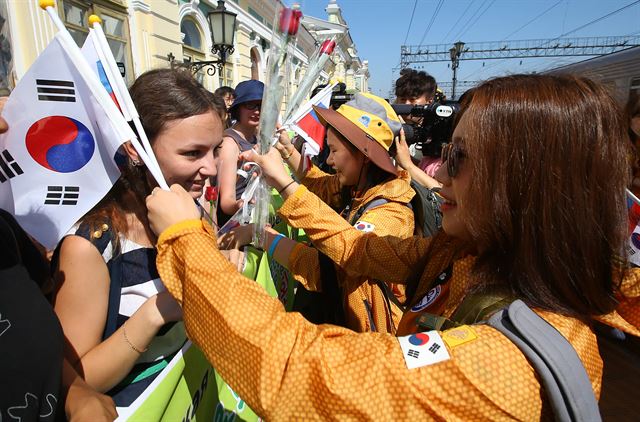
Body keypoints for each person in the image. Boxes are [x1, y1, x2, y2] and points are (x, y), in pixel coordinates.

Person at [145, 74, 640, 419]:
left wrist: (186, 242)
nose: (437, 172)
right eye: (446, 152)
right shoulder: (462, 254)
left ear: (523, 187)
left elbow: (303, 370)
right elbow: (359, 253)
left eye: (460, 157)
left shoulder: (502, 366)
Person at [52, 68, 225, 407]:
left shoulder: (191, 211)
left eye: (215, 150)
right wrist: (156, 312)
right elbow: (73, 383)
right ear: (136, 149)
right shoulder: (90, 245)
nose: (212, 168)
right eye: (193, 153)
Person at [223, 92, 415, 333]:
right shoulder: (360, 187)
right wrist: (288, 151)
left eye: (334, 151)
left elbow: (328, 268)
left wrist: (262, 233)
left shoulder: (392, 212)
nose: (331, 161)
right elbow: (323, 186)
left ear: (364, 155)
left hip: (370, 344)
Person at [216, 79, 264, 225]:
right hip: (234, 224)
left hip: (254, 218)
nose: (256, 111)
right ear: (238, 108)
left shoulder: (257, 138)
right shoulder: (230, 143)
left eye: (261, 106)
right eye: (250, 105)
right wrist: (240, 206)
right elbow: (226, 202)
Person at [393, 68, 442, 190]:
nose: (406, 105)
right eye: (403, 99)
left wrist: (407, 164)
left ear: (429, 101)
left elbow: (441, 189)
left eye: (413, 99)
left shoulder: (440, 130)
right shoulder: (397, 125)